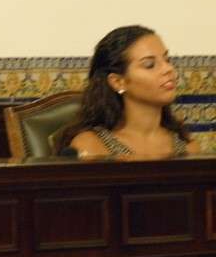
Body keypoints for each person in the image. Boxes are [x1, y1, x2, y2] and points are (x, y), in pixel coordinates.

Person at [58, 25, 200, 158]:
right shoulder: (91, 147)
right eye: (149, 65)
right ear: (118, 82)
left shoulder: (188, 147)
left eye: (167, 60)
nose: (168, 69)